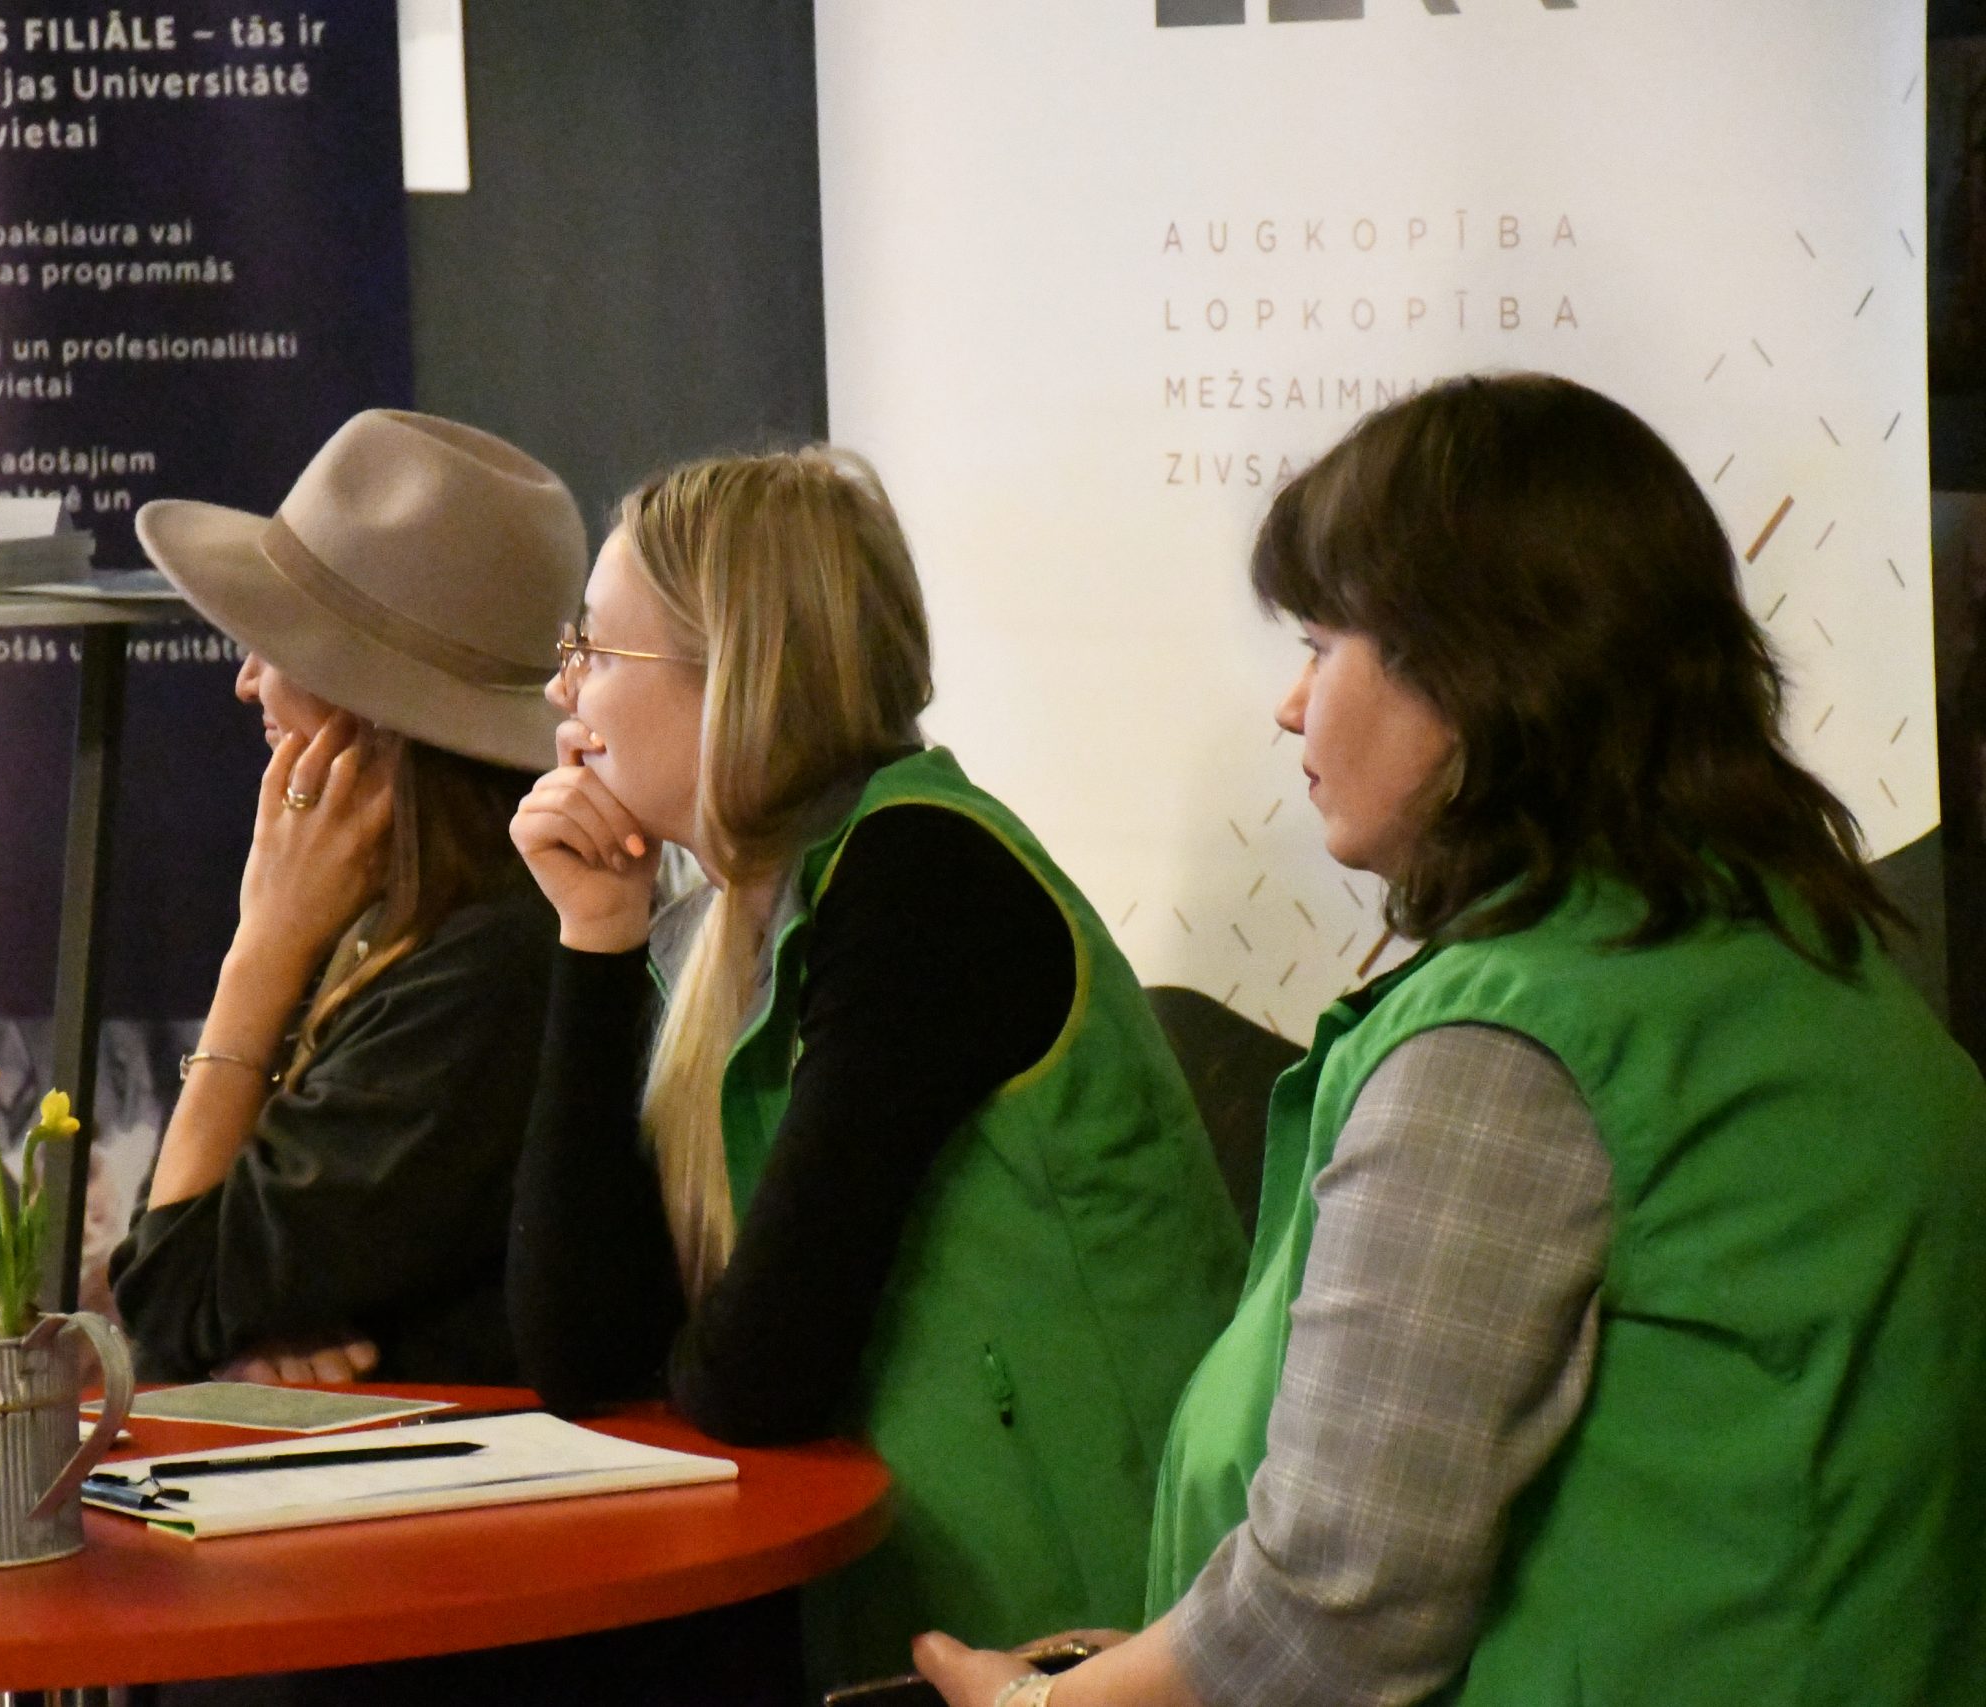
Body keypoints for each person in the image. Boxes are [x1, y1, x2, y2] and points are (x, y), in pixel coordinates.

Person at [914, 374, 1986, 1707]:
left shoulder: (1512, 1047)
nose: (1291, 705)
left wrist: (1039, 1706)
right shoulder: (1821, 966)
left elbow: (1330, 1616)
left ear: (1475, 672)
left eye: (1322, 643)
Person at [506, 446, 1249, 1687]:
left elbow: (760, 1371)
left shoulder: (922, 879)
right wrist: (595, 934)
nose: (559, 687)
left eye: (595, 649)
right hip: (927, 1610)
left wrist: (692, 1355)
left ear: (740, 671)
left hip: (1104, 1628)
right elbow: (581, 1350)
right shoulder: (721, 923)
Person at [108, 408, 584, 1387]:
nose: (247, 683)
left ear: (375, 717)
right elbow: (178, 1288)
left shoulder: (487, 965)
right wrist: (234, 1326)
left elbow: (169, 1293)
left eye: (276, 647)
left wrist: (260, 953)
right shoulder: (406, 919)